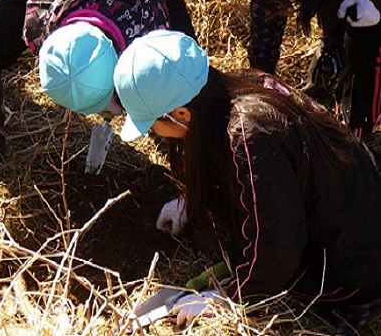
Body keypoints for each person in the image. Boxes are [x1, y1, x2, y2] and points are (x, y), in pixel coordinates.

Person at [114, 30, 381, 335]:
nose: (155, 133)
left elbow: (277, 249)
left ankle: (354, 311)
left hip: (355, 265)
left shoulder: (249, 136)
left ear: (182, 113)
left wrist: (226, 297)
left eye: (153, 124)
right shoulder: (235, 89)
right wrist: (191, 202)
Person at [0, 0, 197, 165]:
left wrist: (134, 102)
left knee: (193, 90)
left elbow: (172, 73)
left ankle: (190, 166)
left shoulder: (150, 19)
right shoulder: (39, 15)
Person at [243, 0, 380, 141]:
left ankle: (363, 141)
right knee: (336, 50)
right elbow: (268, 2)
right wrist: (262, 73)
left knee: (364, 57)